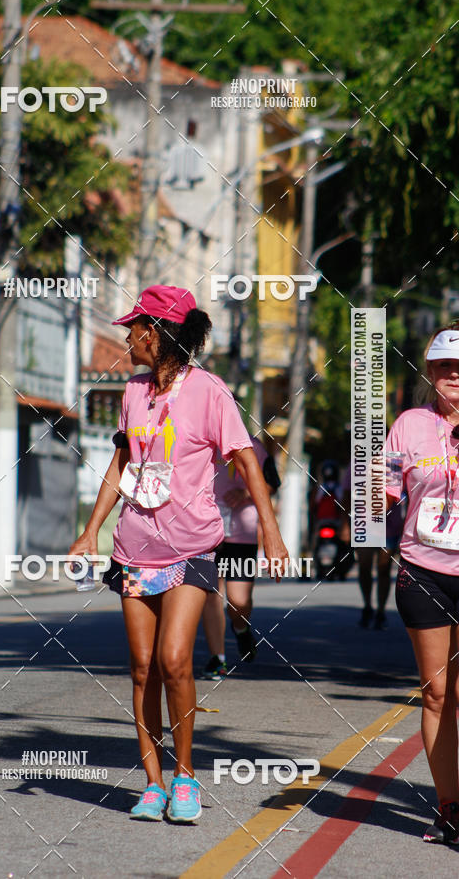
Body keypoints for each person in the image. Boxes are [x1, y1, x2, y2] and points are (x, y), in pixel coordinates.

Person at [69, 285, 288, 823]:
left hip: (192, 546)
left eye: (134, 327)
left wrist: (271, 531)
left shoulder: (209, 391)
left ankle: (186, 776)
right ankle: (152, 782)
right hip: (134, 547)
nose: (127, 336)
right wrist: (90, 531)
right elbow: (121, 465)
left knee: (173, 659)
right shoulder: (133, 391)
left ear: (158, 332)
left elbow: (246, 462)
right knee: (142, 668)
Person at [385, 323, 459, 843]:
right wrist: (373, 504)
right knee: (437, 695)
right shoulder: (409, 424)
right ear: (430, 373)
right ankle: (450, 806)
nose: (453, 375)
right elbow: (381, 486)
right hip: (423, 570)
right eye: (443, 367)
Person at [201, 437, 281, 679]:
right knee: (211, 594)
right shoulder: (199, 442)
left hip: (241, 534)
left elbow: (272, 483)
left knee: (239, 602)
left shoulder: (253, 447)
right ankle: (218, 659)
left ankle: (240, 626)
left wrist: (246, 492)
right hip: (204, 532)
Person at [340, 464, 406, 628]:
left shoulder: (394, 464)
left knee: (383, 568)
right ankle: (368, 605)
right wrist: (345, 525)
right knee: (364, 566)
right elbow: (347, 496)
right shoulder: (356, 464)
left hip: (389, 526)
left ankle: (381, 611)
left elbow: (408, 494)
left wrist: (406, 526)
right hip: (365, 525)